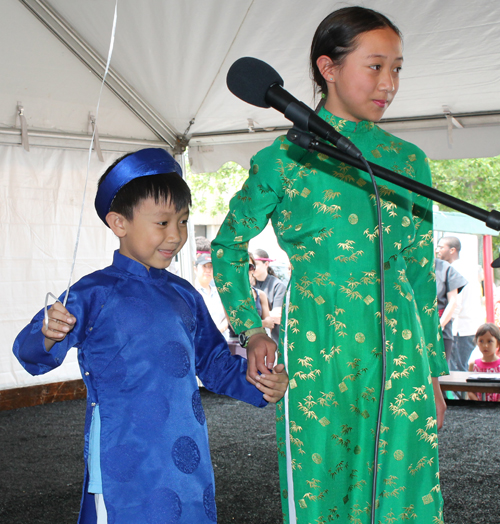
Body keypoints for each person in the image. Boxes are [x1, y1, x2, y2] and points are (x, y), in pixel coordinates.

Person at [212, 7, 448, 523]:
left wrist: (433, 371)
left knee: (406, 498)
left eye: (398, 69)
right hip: (322, 345)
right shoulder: (284, 159)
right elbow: (227, 248)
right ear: (328, 67)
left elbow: (417, 272)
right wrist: (251, 330)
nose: (389, 84)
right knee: (326, 495)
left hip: (403, 346)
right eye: (376, 66)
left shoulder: (410, 162)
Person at [13, 148, 288, 524]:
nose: (176, 235)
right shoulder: (92, 293)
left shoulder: (185, 294)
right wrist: (46, 332)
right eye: (162, 223)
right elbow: (30, 353)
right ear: (119, 223)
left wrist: (262, 383)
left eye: (183, 221)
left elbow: (213, 363)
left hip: (186, 453)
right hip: (123, 457)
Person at [436, 235, 483, 372]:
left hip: (460, 329)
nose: (438, 250)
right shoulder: (468, 267)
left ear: (452, 250)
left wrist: (445, 325)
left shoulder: (452, 270)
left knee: (456, 371)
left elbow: (456, 302)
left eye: (441, 247)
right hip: (469, 326)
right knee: (460, 368)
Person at [435, 257, 467, 362]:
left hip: (440, 326)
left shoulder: (444, 268)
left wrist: (440, 325)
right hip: (413, 326)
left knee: (439, 371)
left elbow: (453, 302)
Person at [252, 248, 287, 345]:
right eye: (250, 265)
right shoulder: (247, 286)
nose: (252, 268)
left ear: (266, 264)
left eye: (256, 264)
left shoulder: (278, 286)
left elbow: (278, 316)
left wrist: (253, 316)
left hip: (273, 341)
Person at [194, 253, 228, 337]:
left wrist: (218, 331)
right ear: (195, 269)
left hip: (221, 342)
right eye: (204, 266)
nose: (208, 270)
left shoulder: (220, 293)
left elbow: (228, 316)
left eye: (211, 266)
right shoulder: (191, 292)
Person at [468, 323, 500, 401]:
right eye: (481, 341)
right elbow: (469, 390)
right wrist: (479, 403)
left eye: (489, 341)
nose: (485, 345)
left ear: (497, 343)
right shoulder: (473, 365)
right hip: (478, 408)